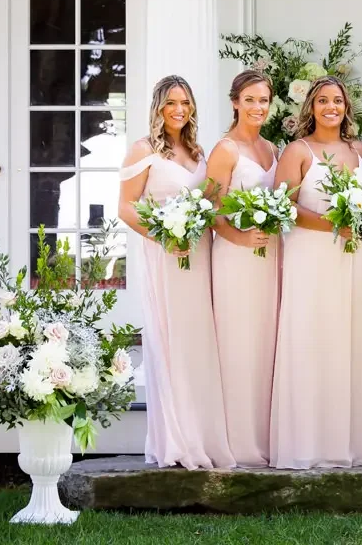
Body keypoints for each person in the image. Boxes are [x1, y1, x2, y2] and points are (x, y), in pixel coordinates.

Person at [118, 75, 234, 470]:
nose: (179, 110)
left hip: (199, 254)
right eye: (171, 103)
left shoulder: (198, 151)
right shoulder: (143, 150)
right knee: (171, 342)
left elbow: (212, 202)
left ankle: (201, 434)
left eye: (185, 102)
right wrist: (164, 236)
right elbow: (127, 207)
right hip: (166, 255)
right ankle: (176, 441)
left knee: (198, 342)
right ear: (158, 107)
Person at [269, 76, 362, 469]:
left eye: (337, 100)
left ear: (347, 106)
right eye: (322, 101)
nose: (330, 107)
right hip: (311, 257)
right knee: (310, 337)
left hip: (351, 258)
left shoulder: (360, 150)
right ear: (310, 107)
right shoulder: (298, 150)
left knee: (345, 338)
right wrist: (335, 223)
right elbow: (284, 206)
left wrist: (360, 223)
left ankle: (344, 443)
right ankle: (306, 443)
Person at [209, 70, 280, 468]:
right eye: (249, 100)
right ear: (235, 101)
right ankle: (237, 442)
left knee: (265, 345)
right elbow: (211, 209)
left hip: (270, 259)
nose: (257, 107)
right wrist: (238, 237)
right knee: (237, 346)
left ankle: (265, 436)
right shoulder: (226, 149)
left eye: (263, 101)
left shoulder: (273, 149)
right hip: (237, 259)